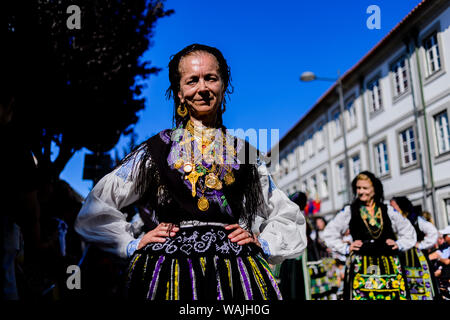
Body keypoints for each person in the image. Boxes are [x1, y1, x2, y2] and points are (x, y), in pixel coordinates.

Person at [75, 43, 307, 300]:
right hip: (168, 275)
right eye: (192, 81)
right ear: (179, 93)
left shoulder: (245, 152)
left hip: (236, 276)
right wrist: (132, 242)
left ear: (223, 86)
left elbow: (284, 213)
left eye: (211, 78)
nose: (203, 88)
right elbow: (96, 207)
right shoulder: (156, 150)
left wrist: (261, 240)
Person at [322, 171, 416, 300]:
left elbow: (408, 231)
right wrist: (345, 248)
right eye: (358, 188)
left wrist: (398, 244)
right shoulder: (350, 210)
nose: (361, 192)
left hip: (389, 265)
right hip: (361, 265)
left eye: (365, 188)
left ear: (374, 190)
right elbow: (329, 233)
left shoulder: (387, 209)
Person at [390, 196, 439, 300]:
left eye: (393, 207)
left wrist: (421, 245)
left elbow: (433, 232)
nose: (391, 210)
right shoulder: (392, 222)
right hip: (398, 258)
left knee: (418, 286)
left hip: (414, 257)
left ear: (401, 207)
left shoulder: (415, 219)